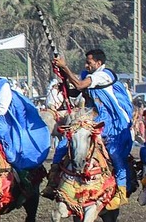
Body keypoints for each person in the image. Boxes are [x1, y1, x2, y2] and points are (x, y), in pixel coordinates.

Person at [50, 49, 134, 205]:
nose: (86, 65)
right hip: (91, 118)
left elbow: (80, 84)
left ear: (99, 63)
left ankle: (122, 191)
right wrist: (63, 81)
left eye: (89, 62)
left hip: (111, 122)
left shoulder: (103, 75)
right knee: (64, 144)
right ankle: (53, 180)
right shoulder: (88, 75)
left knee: (114, 154)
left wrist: (65, 67)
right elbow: (76, 91)